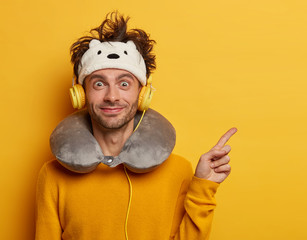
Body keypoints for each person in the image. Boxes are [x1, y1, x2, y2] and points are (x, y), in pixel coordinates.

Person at [35, 11, 237, 240]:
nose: (112, 96)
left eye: (124, 83)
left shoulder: (178, 170)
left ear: (143, 94)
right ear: (80, 94)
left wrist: (204, 188)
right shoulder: (53, 175)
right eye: (99, 83)